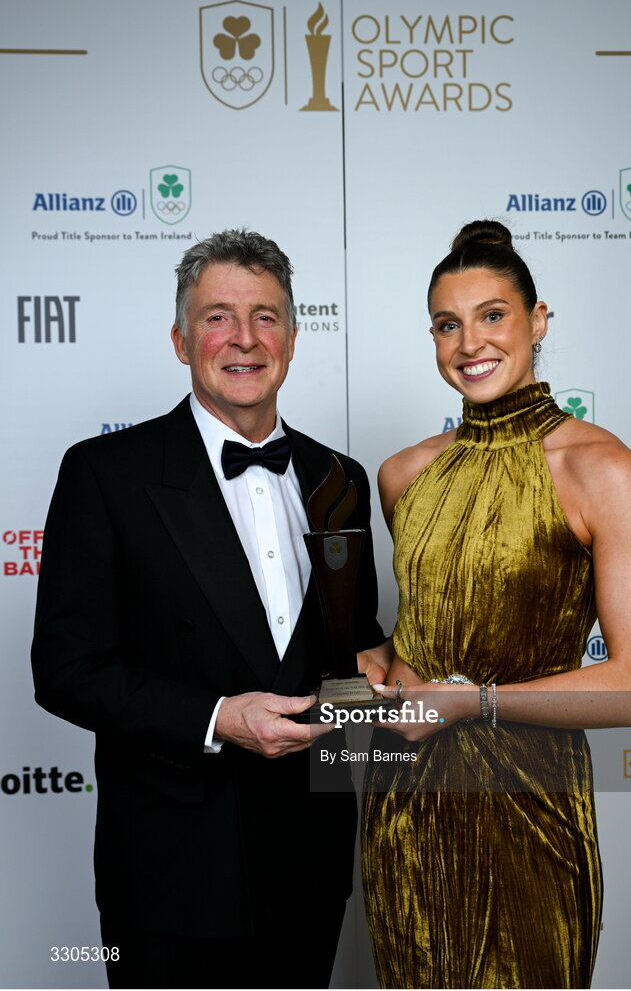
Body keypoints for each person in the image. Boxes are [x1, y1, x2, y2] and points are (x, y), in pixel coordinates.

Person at [31, 228, 389, 990]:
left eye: (265, 316)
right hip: (169, 873)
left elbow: (351, 649)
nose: (244, 339)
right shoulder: (106, 474)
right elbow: (67, 670)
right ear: (180, 338)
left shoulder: (341, 477)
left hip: (309, 864)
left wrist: (381, 676)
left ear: (292, 336)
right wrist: (218, 718)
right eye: (218, 316)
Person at [361, 220, 631, 989]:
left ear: (537, 321)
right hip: (406, 815)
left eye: (493, 315)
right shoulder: (402, 475)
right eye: (447, 323)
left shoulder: (605, 469)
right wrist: (380, 659)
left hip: (533, 807)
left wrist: (476, 704)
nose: (470, 342)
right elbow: (426, 642)